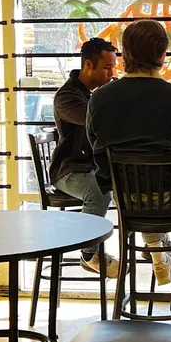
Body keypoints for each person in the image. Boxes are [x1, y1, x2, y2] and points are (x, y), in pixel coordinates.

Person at [86, 19, 171, 286]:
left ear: (124, 55)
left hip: (127, 201)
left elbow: (97, 150)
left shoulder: (99, 99)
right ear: (163, 55)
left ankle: (159, 250)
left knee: (144, 188)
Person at [49, 37, 120, 278]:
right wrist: (115, 96)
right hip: (69, 170)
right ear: (88, 65)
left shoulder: (95, 94)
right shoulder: (66, 97)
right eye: (107, 68)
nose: (112, 73)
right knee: (99, 191)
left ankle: (157, 245)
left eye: (114, 67)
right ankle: (90, 254)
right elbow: (96, 123)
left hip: (93, 167)